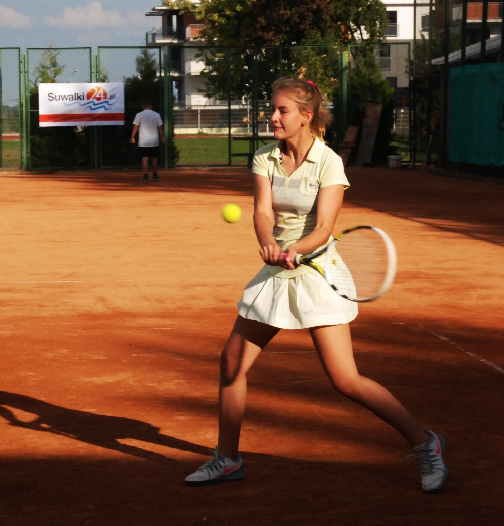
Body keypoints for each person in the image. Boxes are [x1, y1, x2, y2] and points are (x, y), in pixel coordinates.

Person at [184, 78, 448, 493]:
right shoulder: (265, 157)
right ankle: (228, 459)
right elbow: (262, 212)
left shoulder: (329, 162)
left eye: (282, 110)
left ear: (306, 115)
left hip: (317, 275)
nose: (272, 117)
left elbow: (325, 227)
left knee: (345, 380)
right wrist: (269, 243)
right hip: (277, 273)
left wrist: (296, 248)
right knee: (231, 365)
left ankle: (424, 442)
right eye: (272, 109)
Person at [131, 101, 165, 183]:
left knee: (144, 158)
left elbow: (135, 127)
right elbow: (160, 127)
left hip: (143, 140)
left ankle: (145, 176)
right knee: (154, 158)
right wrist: (162, 137)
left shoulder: (139, 114)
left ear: (143, 107)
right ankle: (155, 175)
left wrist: (132, 137)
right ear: (151, 107)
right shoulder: (156, 114)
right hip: (154, 140)